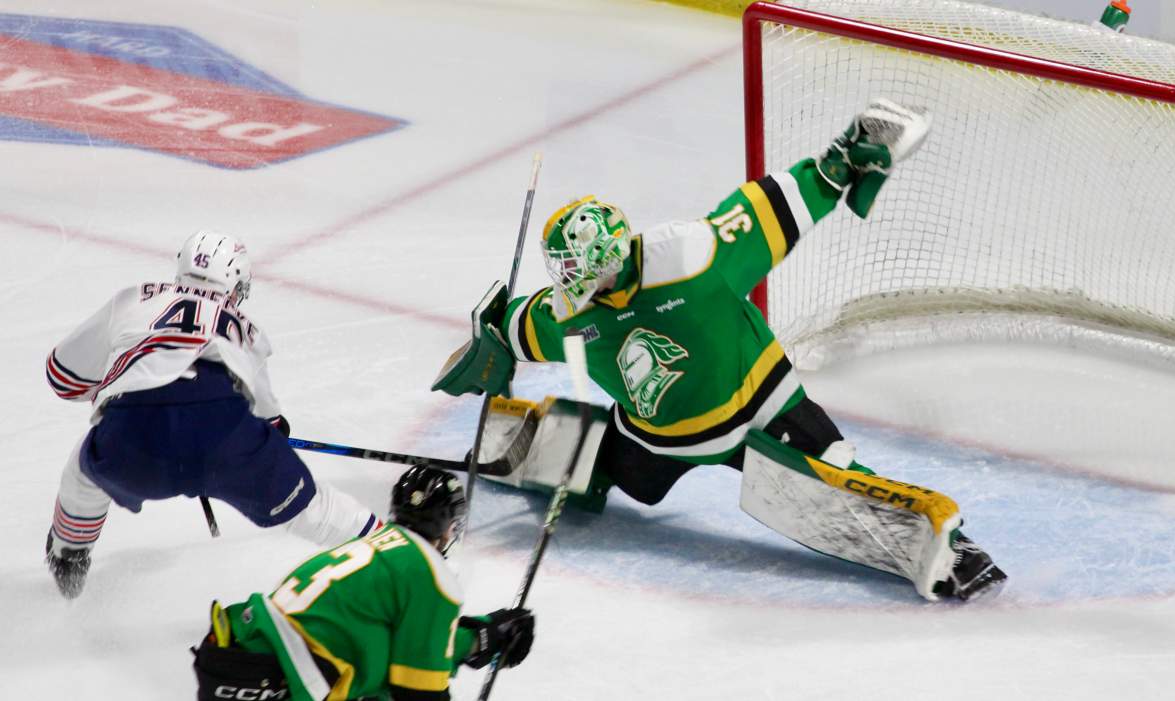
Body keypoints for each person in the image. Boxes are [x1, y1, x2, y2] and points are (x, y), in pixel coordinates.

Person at [433, 99, 1006, 602]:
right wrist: (491, 340)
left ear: (609, 259)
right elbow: (515, 325)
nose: (573, 290)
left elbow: (772, 209)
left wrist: (839, 164)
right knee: (618, 467)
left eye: (581, 275)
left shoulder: (693, 258)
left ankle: (946, 551)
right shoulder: (570, 310)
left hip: (761, 410)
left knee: (830, 481)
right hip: (656, 438)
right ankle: (539, 446)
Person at [44, 230, 383, 599]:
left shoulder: (132, 300)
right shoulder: (247, 330)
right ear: (236, 284)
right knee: (313, 507)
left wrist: (116, 390)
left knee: (84, 470)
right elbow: (269, 419)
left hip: (133, 435)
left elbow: (62, 375)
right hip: (224, 436)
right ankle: (393, 549)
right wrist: (269, 441)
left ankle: (69, 556)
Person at [192, 464, 535, 701]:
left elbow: (395, 642)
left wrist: (480, 639)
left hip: (233, 664)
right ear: (447, 525)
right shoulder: (429, 572)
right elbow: (417, 690)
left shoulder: (372, 546)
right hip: (288, 682)